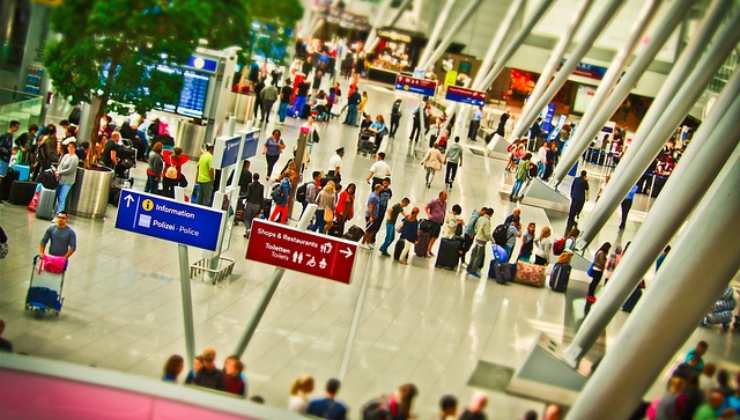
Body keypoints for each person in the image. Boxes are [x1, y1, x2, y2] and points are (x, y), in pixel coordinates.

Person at [466, 207, 494, 278]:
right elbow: (487, 233)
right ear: (491, 214)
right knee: (478, 257)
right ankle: (473, 271)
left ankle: (469, 268)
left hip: (477, 238)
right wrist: (492, 240)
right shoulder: (487, 221)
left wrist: (477, 233)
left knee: (474, 254)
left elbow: (475, 227)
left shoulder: (480, 218)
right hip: (482, 241)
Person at [55, 140, 80, 214]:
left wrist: (60, 172)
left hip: (68, 181)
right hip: (60, 179)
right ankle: (57, 210)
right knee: (58, 196)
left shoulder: (75, 158)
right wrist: (58, 171)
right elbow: (60, 165)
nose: (70, 148)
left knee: (62, 197)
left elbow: (70, 170)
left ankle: (59, 213)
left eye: (72, 147)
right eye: (69, 146)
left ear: (75, 148)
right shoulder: (66, 156)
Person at [425, 191, 447, 257]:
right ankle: (426, 250)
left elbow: (444, 211)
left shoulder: (445, 203)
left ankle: (429, 249)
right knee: (430, 236)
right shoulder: (434, 202)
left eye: (446, 197)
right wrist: (428, 214)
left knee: (435, 237)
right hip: (432, 222)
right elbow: (426, 207)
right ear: (440, 196)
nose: (446, 198)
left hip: (439, 223)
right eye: (444, 196)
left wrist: (443, 220)